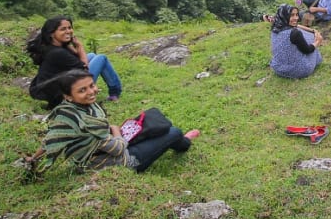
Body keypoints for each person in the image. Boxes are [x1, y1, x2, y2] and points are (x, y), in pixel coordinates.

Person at [25, 70, 200, 173]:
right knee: (173, 131)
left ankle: (176, 141)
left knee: (150, 127)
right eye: (82, 90)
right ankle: (183, 141)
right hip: (118, 164)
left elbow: (52, 140)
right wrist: (115, 130)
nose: (91, 91)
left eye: (92, 85)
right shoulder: (88, 122)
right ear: (69, 96)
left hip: (97, 156)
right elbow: (118, 149)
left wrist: (33, 158)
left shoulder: (66, 113)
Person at [27, 16, 123, 109]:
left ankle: (114, 92)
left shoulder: (51, 46)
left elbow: (76, 58)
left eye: (69, 28)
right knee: (102, 58)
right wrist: (80, 46)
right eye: (63, 29)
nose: (68, 31)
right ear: (52, 33)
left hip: (45, 88)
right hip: (56, 95)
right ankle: (114, 93)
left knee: (92, 56)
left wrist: (70, 45)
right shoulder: (58, 52)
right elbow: (84, 69)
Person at [270, 4, 323, 78]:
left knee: (304, 36)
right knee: (312, 45)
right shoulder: (295, 33)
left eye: (297, 15)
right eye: (292, 15)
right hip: (298, 71)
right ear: (285, 15)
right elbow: (307, 50)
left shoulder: (275, 27)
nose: (296, 18)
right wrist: (318, 41)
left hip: (278, 68)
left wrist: (313, 30)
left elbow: (296, 25)